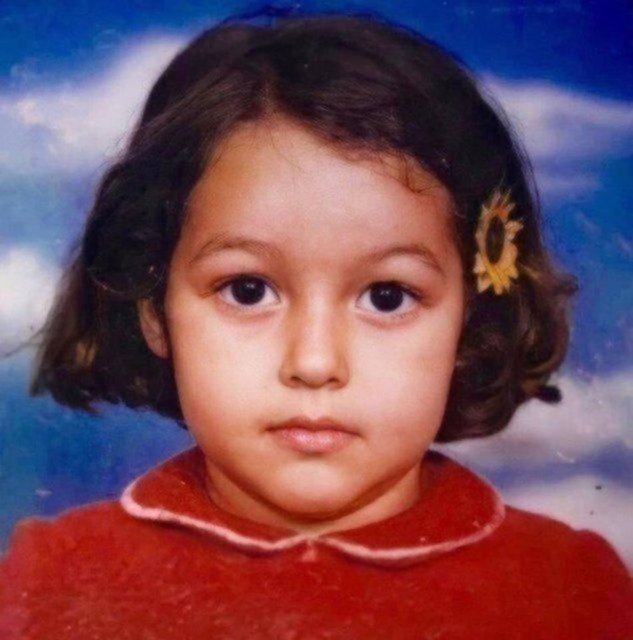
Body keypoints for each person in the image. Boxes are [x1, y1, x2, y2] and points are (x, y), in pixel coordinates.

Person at [0, 10, 631, 639]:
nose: (315, 362)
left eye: (387, 297)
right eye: (248, 290)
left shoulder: (573, 589)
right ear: (152, 309)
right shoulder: (50, 581)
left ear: (470, 322)